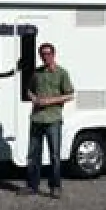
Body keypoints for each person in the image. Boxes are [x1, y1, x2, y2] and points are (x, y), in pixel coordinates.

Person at [21, 42, 75, 198]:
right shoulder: (37, 73)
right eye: (43, 54)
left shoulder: (62, 73)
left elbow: (70, 94)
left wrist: (50, 101)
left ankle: (55, 186)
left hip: (53, 119)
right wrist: (33, 98)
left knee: (54, 156)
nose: (46, 57)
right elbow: (29, 90)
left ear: (53, 54)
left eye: (48, 54)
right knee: (33, 155)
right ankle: (32, 186)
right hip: (37, 119)